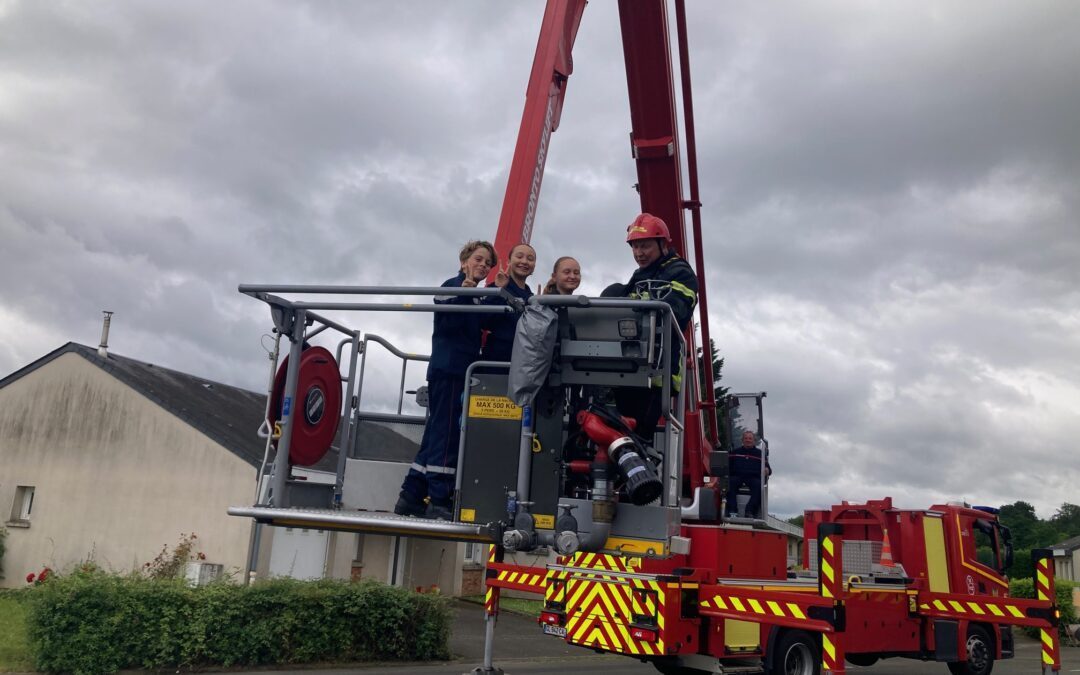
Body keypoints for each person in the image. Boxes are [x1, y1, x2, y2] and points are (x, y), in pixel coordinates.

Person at [395, 240, 496, 520]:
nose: (482, 265)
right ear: (464, 261)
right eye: (478, 259)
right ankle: (439, 500)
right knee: (447, 434)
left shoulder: (476, 294)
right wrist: (464, 294)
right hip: (450, 370)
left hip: (458, 370)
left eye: (487, 263)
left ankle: (411, 495)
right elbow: (448, 321)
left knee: (434, 435)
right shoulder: (451, 287)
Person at [614, 213, 699, 437]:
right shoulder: (640, 274)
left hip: (658, 372)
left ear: (662, 244)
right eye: (635, 248)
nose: (639, 254)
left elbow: (676, 311)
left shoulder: (681, 273)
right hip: (629, 365)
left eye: (645, 246)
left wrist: (637, 305)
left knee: (638, 436)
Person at [481, 242, 536, 363]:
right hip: (497, 363)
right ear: (508, 262)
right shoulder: (495, 288)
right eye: (519, 256)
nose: (525, 261)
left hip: (524, 363)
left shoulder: (533, 298)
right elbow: (484, 320)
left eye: (530, 259)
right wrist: (498, 290)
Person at [725, 430, 771, 518]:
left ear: (754, 441)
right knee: (729, 483)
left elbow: (769, 469)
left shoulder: (760, 454)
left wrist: (767, 470)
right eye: (745, 438)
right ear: (742, 440)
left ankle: (749, 511)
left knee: (758, 486)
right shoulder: (735, 452)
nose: (748, 440)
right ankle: (732, 511)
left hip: (753, 477)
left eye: (750, 438)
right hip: (737, 476)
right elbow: (728, 466)